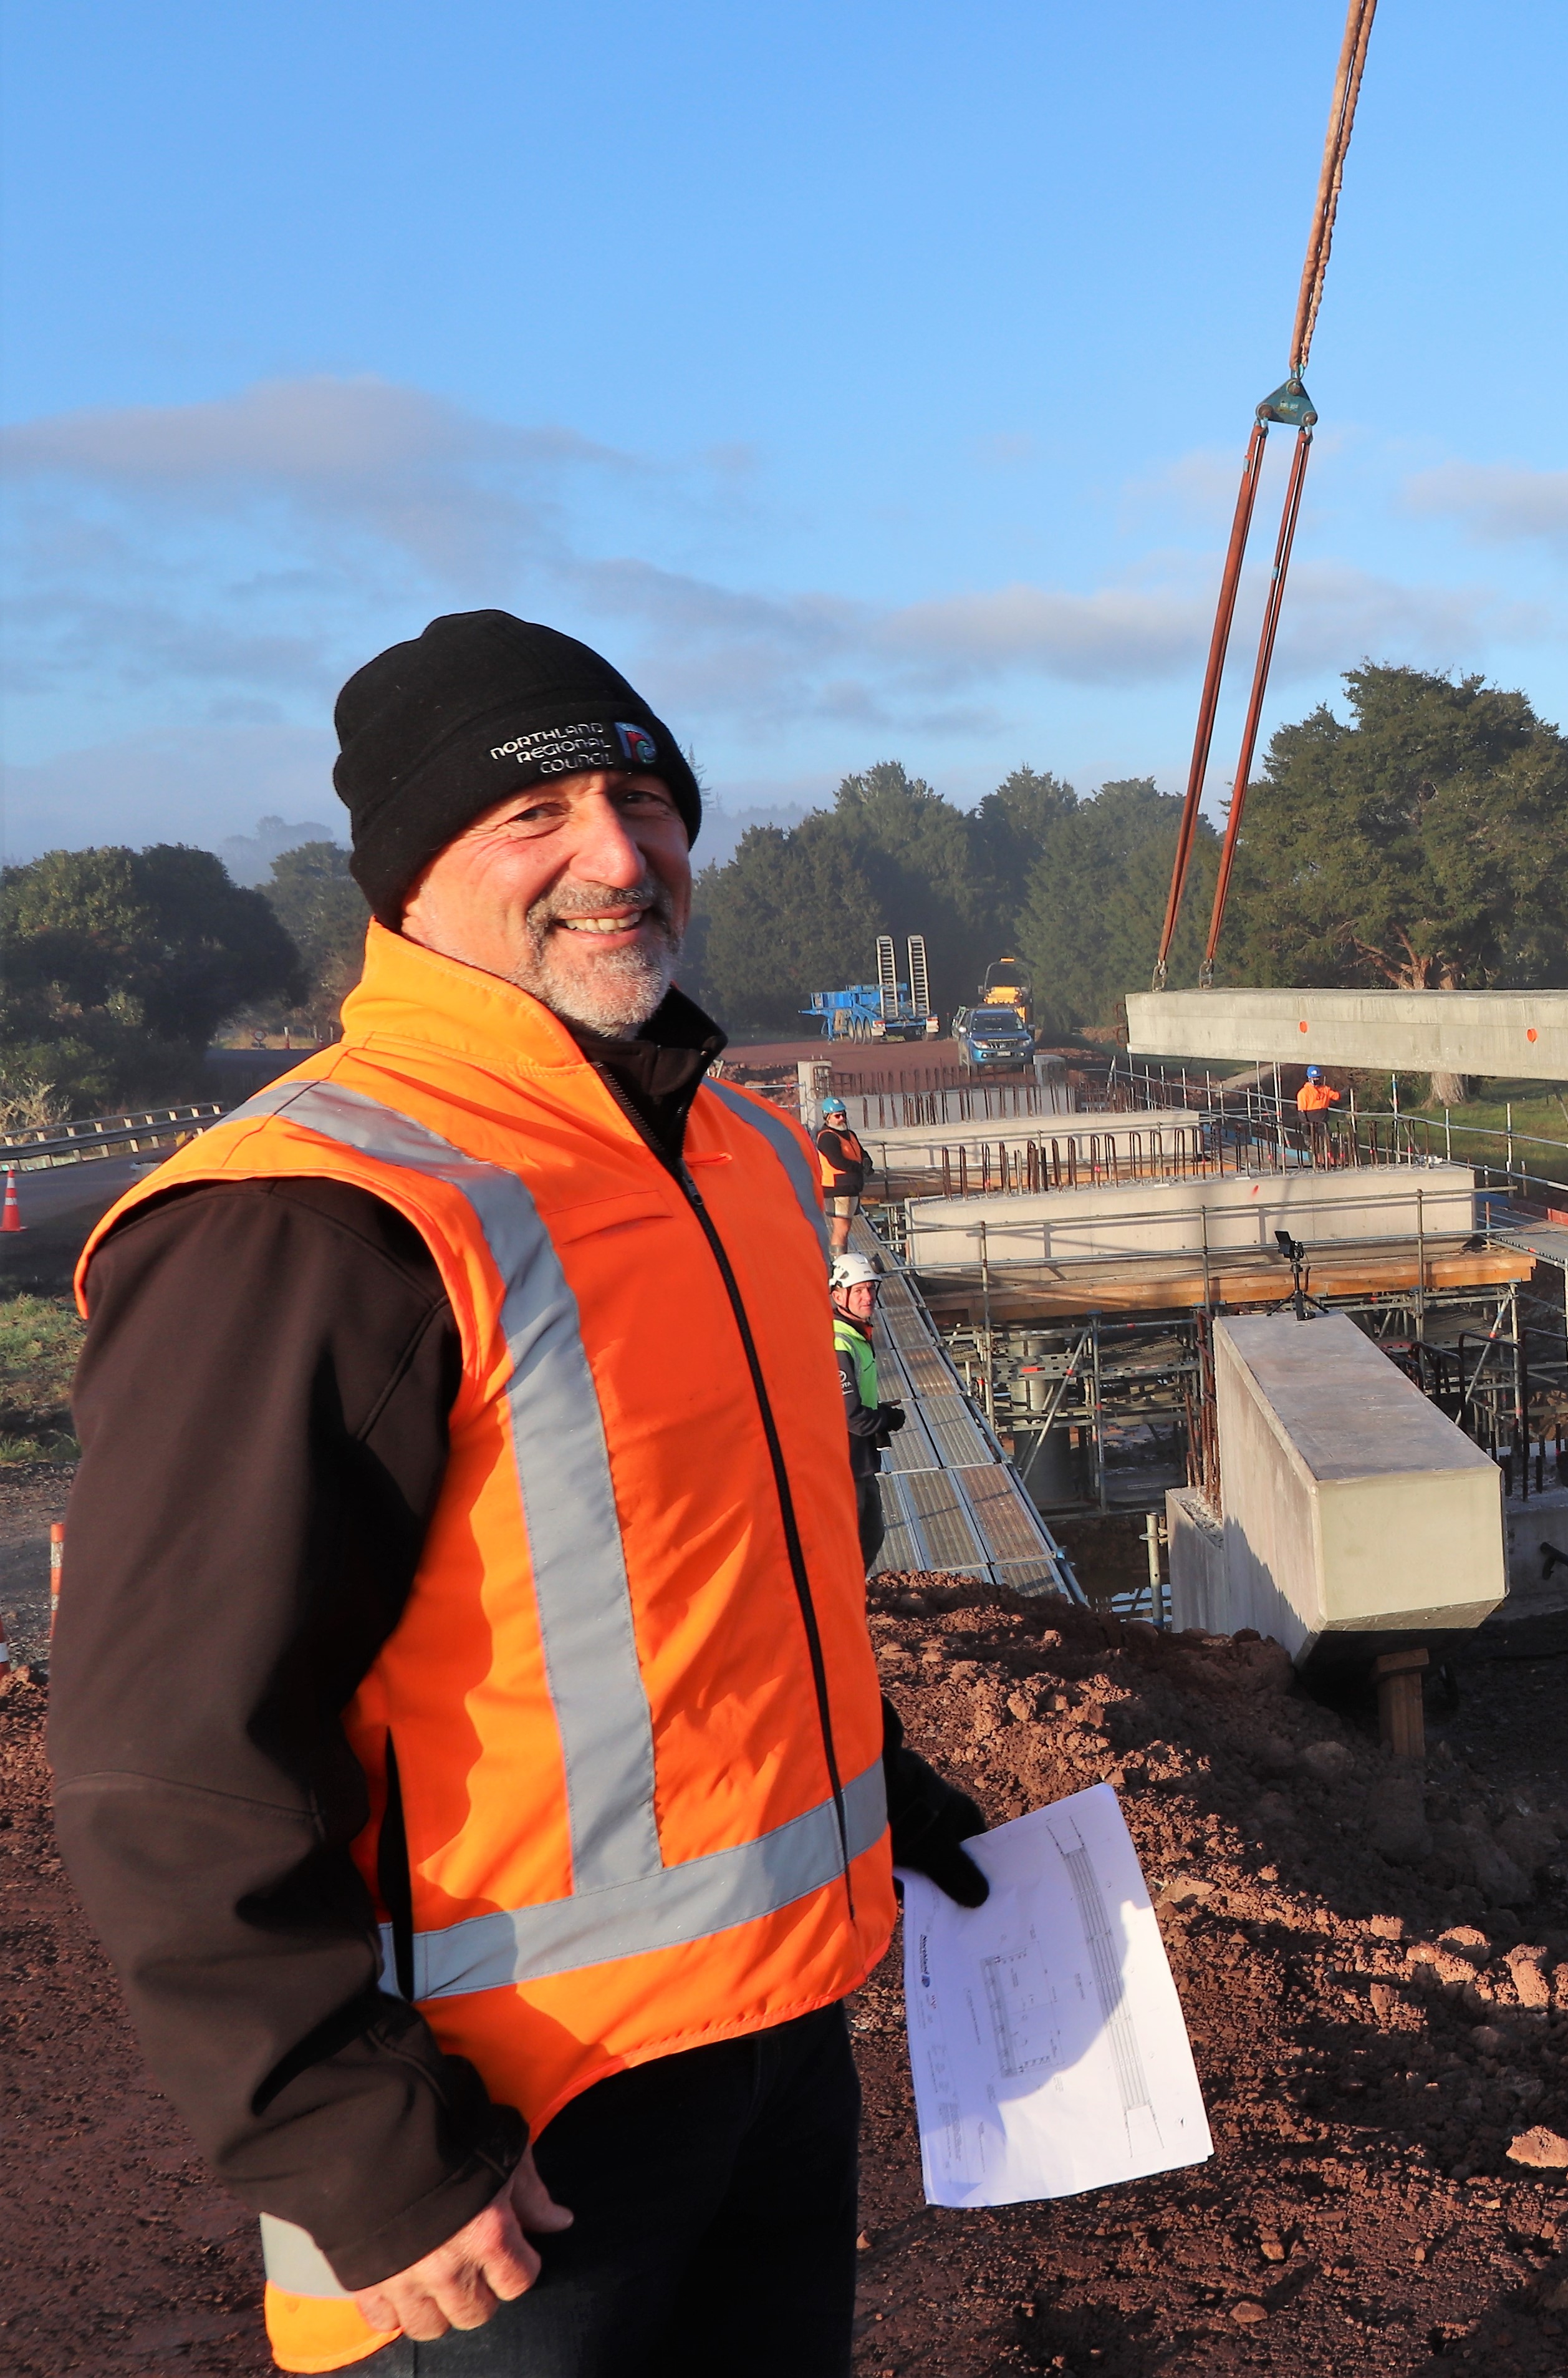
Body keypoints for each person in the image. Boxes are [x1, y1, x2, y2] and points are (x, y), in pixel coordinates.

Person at [51, 610, 998, 2375]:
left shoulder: (739, 1158)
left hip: (773, 2037)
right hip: (505, 2131)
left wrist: (875, 1779)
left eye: (643, 798)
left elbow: (706, 1579)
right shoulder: (313, 1217)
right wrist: (356, 2146)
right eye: (531, 814)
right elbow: (165, 1749)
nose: (616, 854)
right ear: (409, 874)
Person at [832, 1249, 905, 1575]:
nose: (868, 1297)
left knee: (871, 1535)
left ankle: (851, 1603)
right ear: (838, 1295)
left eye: (871, 1289)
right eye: (859, 1290)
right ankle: (841, 1609)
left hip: (859, 1460)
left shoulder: (855, 1335)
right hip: (843, 1463)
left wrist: (878, 1410)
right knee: (851, 1543)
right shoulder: (838, 1343)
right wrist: (887, 1420)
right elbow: (852, 1417)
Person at [808, 1096, 870, 1252]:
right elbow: (838, 1162)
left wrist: (867, 1162)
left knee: (846, 1227)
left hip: (850, 1187)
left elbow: (861, 1153)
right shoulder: (827, 1137)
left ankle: (842, 1258)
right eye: (837, 1116)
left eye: (843, 1114)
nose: (842, 1119)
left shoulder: (849, 1134)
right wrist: (859, 1167)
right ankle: (839, 1261)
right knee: (841, 1228)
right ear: (827, 1117)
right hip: (837, 1187)